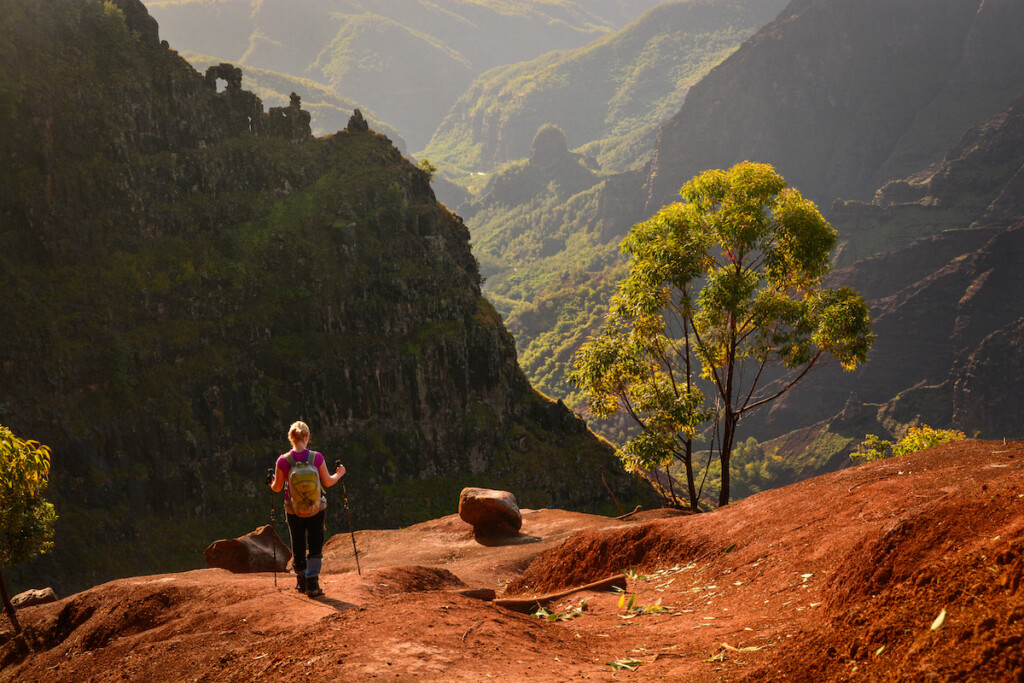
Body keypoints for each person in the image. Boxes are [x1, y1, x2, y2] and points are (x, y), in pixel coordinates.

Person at [267, 421, 345, 597]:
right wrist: (339, 474)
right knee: (315, 542)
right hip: (316, 508)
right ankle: (313, 582)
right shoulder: (316, 458)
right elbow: (328, 481)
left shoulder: (283, 460)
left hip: (293, 509)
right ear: (307, 437)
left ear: (291, 438)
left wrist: (271, 481)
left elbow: (277, 488)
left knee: (298, 542)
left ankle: (301, 581)